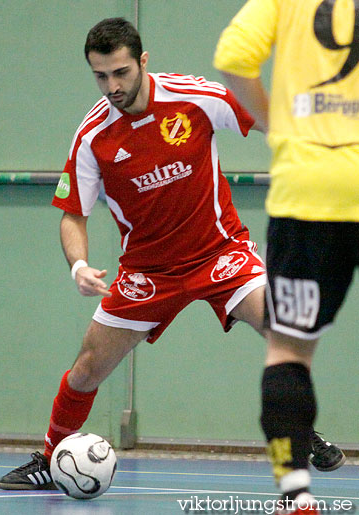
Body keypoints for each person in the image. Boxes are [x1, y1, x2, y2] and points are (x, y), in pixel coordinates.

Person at [0, 17, 344, 493]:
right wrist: (78, 265)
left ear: (142, 61)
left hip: (221, 253)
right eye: (100, 76)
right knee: (86, 369)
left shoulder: (194, 97)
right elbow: (73, 215)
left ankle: (296, 434)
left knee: (284, 330)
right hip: (147, 272)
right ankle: (50, 456)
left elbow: (266, 119)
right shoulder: (93, 137)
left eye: (120, 72)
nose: (112, 86)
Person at [214, 1, 359, 513]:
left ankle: (296, 495)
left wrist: (279, 125)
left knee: (289, 353)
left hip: (310, 189)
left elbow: (233, 55)